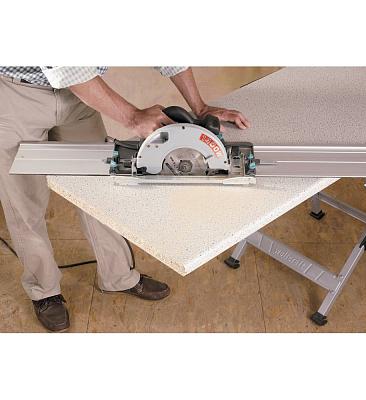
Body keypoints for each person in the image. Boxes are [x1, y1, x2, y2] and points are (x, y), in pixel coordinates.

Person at [0, 66, 250, 332]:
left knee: (98, 191)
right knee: (24, 202)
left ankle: (118, 276)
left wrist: (199, 107)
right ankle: (44, 291)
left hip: (80, 95)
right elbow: (68, 67)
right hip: (18, 93)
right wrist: (132, 117)